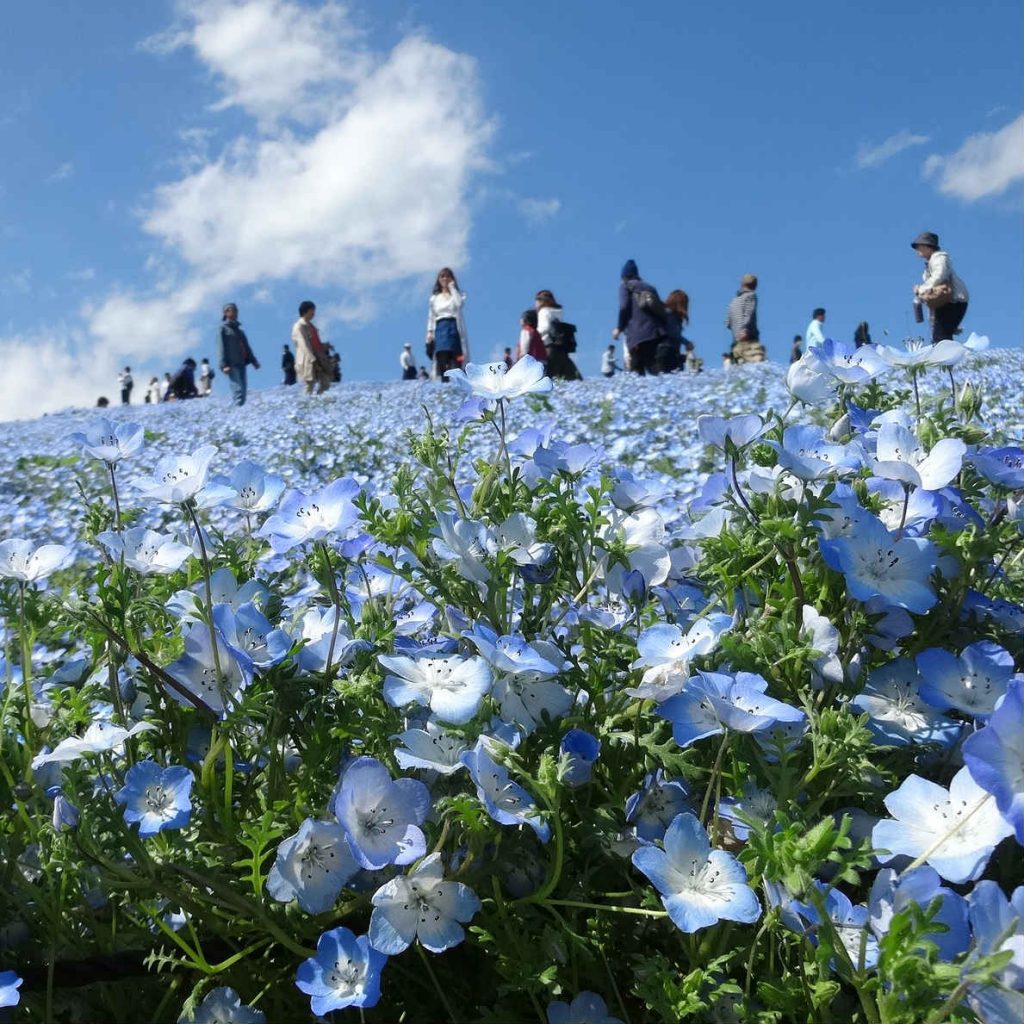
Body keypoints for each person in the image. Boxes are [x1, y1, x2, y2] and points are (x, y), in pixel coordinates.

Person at [911, 232, 969, 343]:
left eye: (919, 245)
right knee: (939, 335)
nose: (917, 249)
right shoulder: (930, 263)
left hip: (954, 300)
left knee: (941, 337)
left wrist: (922, 289)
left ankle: (946, 359)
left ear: (928, 246)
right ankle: (944, 357)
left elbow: (940, 275)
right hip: (946, 302)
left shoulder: (939, 258)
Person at [613, 260, 667, 375]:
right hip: (655, 333)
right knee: (653, 365)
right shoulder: (650, 288)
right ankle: (665, 389)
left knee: (636, 370)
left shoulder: (625, 287)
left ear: (624, 276)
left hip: (637, 335)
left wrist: (619, 328)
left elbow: (623, 307)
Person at [426, 267, 469, 380]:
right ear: (439, 280)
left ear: (452, 278)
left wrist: (452, 288)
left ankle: (459, 382)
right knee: (441, 355)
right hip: (440, 327)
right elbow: (431, 316)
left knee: (456, 356)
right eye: (442, 276)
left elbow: (459, 304)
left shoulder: (457, 295)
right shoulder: (434, 298)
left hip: (453, 326)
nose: (445, 278)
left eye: (447, 276)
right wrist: (429, 333)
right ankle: (444, 382)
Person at [218, 303, 260, 407]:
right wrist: (223, 365)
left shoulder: (240, 331)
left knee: (244, 394)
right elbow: (221, 347)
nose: (236, 312)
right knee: (238, 392)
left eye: (236, 310)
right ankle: (234, 415)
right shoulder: (223, 329)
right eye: (233, 310)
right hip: (231, 365)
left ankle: (237, 413)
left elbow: (246, 347)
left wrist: (254, 361)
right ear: (226, 313)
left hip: (242, 363)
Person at [536, 289, 579, 380]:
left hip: (549, 346)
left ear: (541, 301)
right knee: (571, 376)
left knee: (547, 377)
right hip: (561, 347)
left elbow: (545, 328)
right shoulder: (558, 312)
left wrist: (535, 335)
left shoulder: (544, 311)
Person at [292, 301, 332, 395]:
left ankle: (317, 400)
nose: (313, 314)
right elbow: (303, 344)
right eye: (311, 311)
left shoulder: (311, 326)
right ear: (305, 312)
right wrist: (312, 359)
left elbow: (315, 342)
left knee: (325, 382)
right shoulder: (299, 326)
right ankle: (306, 402)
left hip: (318, 356)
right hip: (308, 358)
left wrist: (325, 345)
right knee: (310, 383)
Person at [724, 274, 765, 364]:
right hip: (749, 337)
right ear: (755, 285)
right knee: (757, 364)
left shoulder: (734, 301)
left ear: (742, 284)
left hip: (736, 340)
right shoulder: (751, 296)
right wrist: (744, 328)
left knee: (739, 366)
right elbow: (749, 313)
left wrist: (737, 330)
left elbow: (727, 323)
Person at [662, 290, 693, 374]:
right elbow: (674, 334)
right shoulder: (670, 314)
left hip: (664, 352)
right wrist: (687, 343)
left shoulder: (666, 312)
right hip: (668, 351)